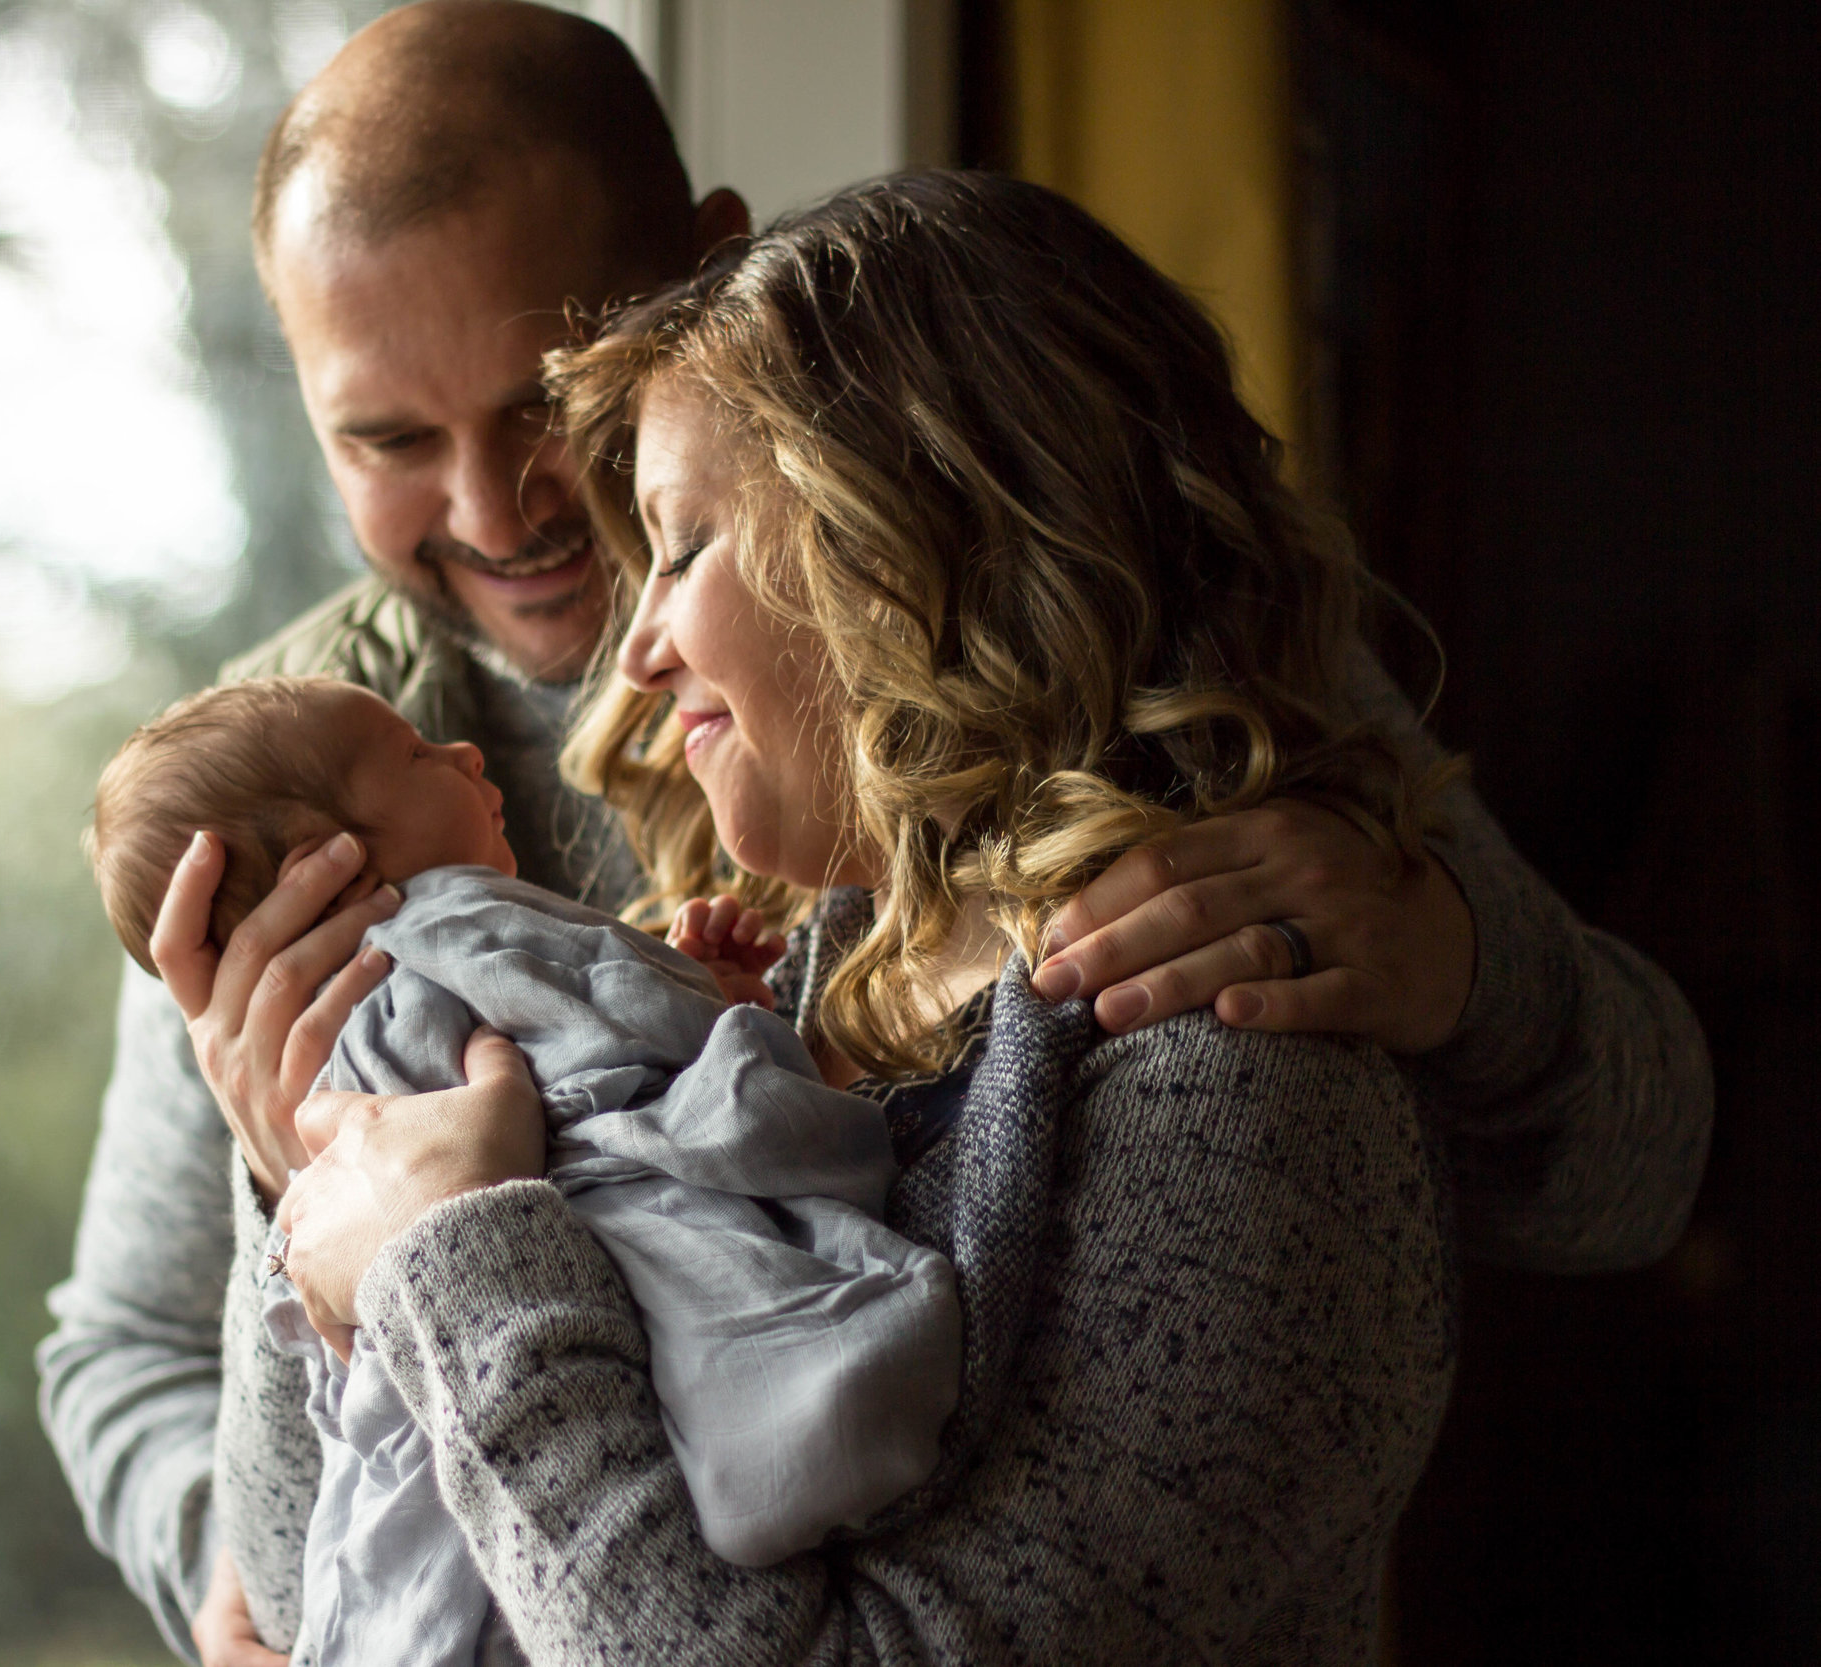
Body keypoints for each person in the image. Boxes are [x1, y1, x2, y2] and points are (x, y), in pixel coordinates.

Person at [34, 5, 1710, 1662]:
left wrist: (1460, 965)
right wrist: (307, 1223)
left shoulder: (1123, 690)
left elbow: (1620, 1172)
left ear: (699, 276)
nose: (494, 512)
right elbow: (157, 1375)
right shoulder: (274, 795)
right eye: (388, 441)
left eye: (550, 404)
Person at [258, 168, 1482, 1660]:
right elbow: (310, 1587)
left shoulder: (1238, 1089)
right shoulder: (800, 982)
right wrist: (313, 1162)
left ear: (916, 542)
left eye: (685, 543)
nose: (632, 652)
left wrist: (448, 1259)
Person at [85, 674, 958, 1666]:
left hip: (458, 1410)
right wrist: (710, 999)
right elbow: (629, 1016)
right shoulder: (456, 918)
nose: (460, 753)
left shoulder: (332, 1030)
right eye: (416, 753)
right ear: (325, 862)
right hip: (568, 1313)